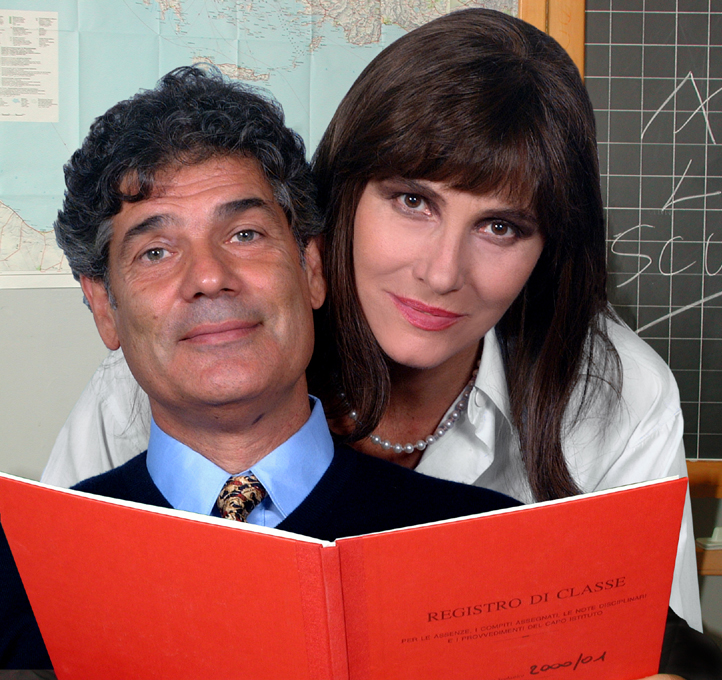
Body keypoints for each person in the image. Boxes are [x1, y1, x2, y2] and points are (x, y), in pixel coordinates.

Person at [45, 6, 700, 638]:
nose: (442, 272)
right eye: (413, 202)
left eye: (500, 227)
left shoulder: (615, 396)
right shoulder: (187, 367)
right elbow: (55, 597)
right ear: (342, 199)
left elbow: (653, 649)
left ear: (547, 247)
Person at [0, 65, 521, 669]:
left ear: (311, 269)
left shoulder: (486, 550)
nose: (209, 277)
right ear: (102, 307)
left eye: (245, 234)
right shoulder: (21, 568)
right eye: (156, 251)